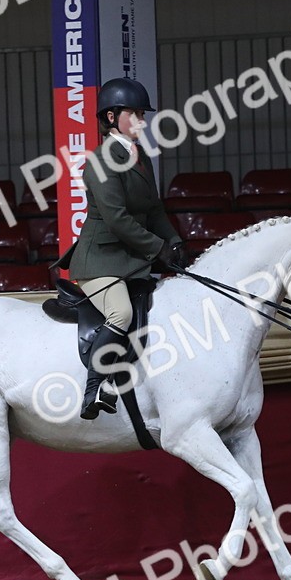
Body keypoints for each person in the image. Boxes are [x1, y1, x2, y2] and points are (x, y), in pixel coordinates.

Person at [62, 77, 184, 420]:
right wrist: (157, 247)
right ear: (113, 117)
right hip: (100, 260)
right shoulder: (101, 161)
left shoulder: (138, 155)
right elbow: (116, 219)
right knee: (121, 313)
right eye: (135, 114)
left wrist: (174, 241)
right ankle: (94, 388)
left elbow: (154, 209)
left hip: (130, 257)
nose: (143, 122)